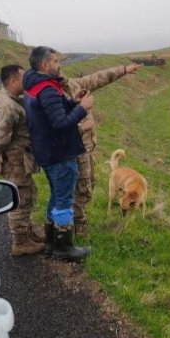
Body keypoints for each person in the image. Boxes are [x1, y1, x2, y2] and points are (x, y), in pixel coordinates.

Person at [22, 46, 94, 262]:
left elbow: (52, 112)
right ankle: (64, 247)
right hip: (59, 154)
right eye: (55, 61)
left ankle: (51, 242)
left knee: (55, 195)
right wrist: (83, 109)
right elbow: (60, 123)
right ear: (45, 65)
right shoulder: (47, 89)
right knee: (64, 199)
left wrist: (73, 102)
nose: (59, 64)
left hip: (48, 152)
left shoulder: (35, 86)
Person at [63, 62, 140, 235]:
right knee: (76, 190)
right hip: (72, 151)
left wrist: (124, 70)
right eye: (54, 62)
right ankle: (75, 230)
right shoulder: (51, 94)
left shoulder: (72, 84)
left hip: (85, 149)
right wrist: (83, 126)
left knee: (87, 186)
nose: (58, 66)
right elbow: (56, 127)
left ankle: (75, 225)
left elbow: (97, 78)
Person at [0, 64, 44, 256]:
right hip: (15, 162)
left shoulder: (9, 99)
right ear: (12, 80)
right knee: (21, 199)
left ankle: (26, 232)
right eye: (22, 78)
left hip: (19, 159)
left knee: (27, 194)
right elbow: (1, 137)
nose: (26, 81)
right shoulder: (8, 107)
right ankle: (20, 242)